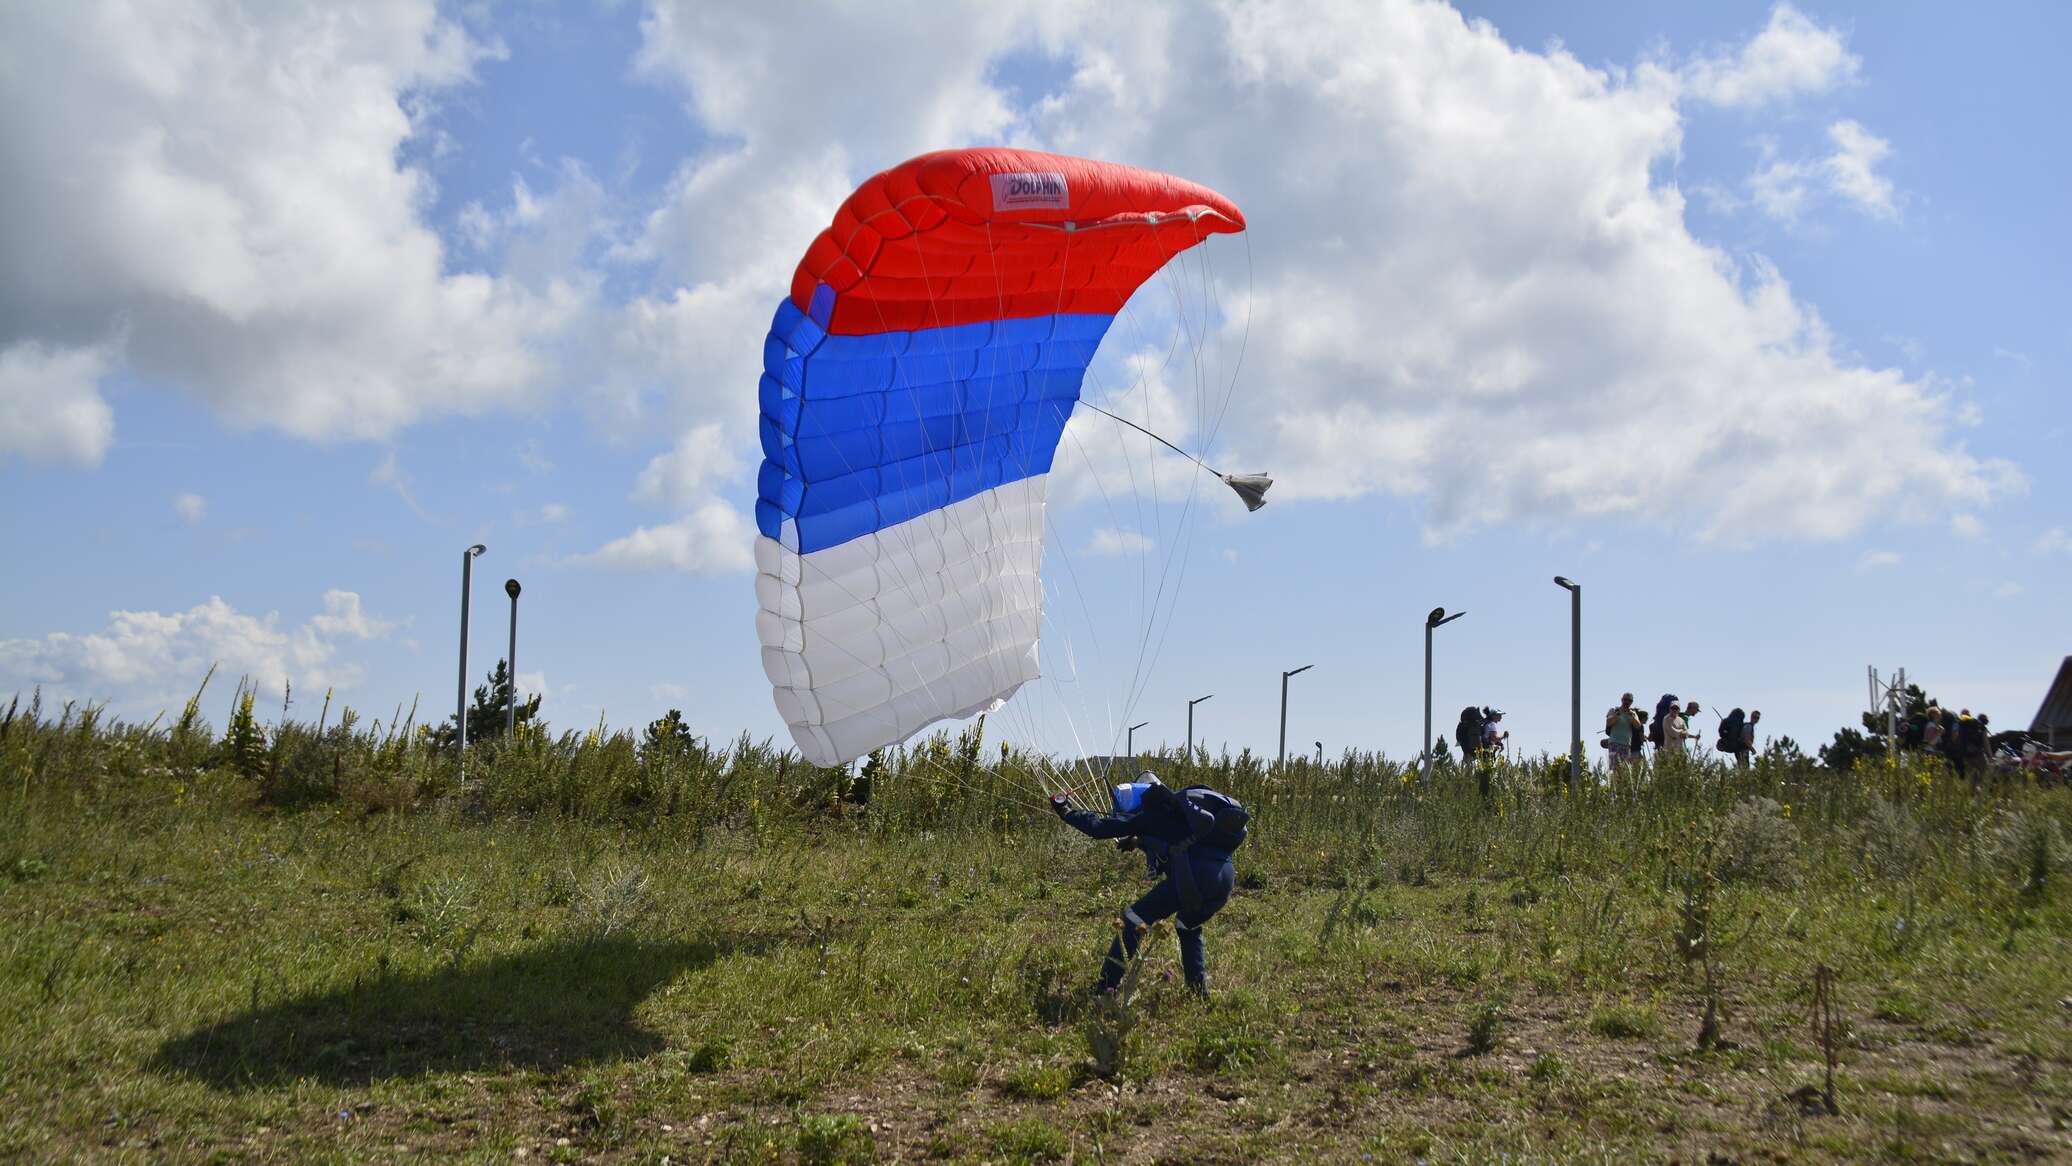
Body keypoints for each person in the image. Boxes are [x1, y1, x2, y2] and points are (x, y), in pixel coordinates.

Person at [1051, 775, 1246, 997]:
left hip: (1194, 876)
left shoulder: (1149, 815)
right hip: (1224, 878)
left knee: (1134, 919)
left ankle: (1106, 987)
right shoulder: (1177, 812)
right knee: (1188, 926)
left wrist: (1066, 811)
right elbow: (1170, 840)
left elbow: (1099, 828)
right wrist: (1138, 841)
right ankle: (1198, 994)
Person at [1605, 693, 1642, 770]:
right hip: (1614, 744)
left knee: (1624, 769)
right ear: (1621, 700)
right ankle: (1614, 782)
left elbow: (1638, 726)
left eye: (1629, 700)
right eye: (1625, 699)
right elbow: (1608, 722)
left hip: (1626, 745)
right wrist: (1617, 714)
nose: (1627, 702)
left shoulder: (1633, 713)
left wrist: (1632, 717)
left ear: (1631, 702)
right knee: (1614, 768)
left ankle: (1621, 782)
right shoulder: (1613, 710)